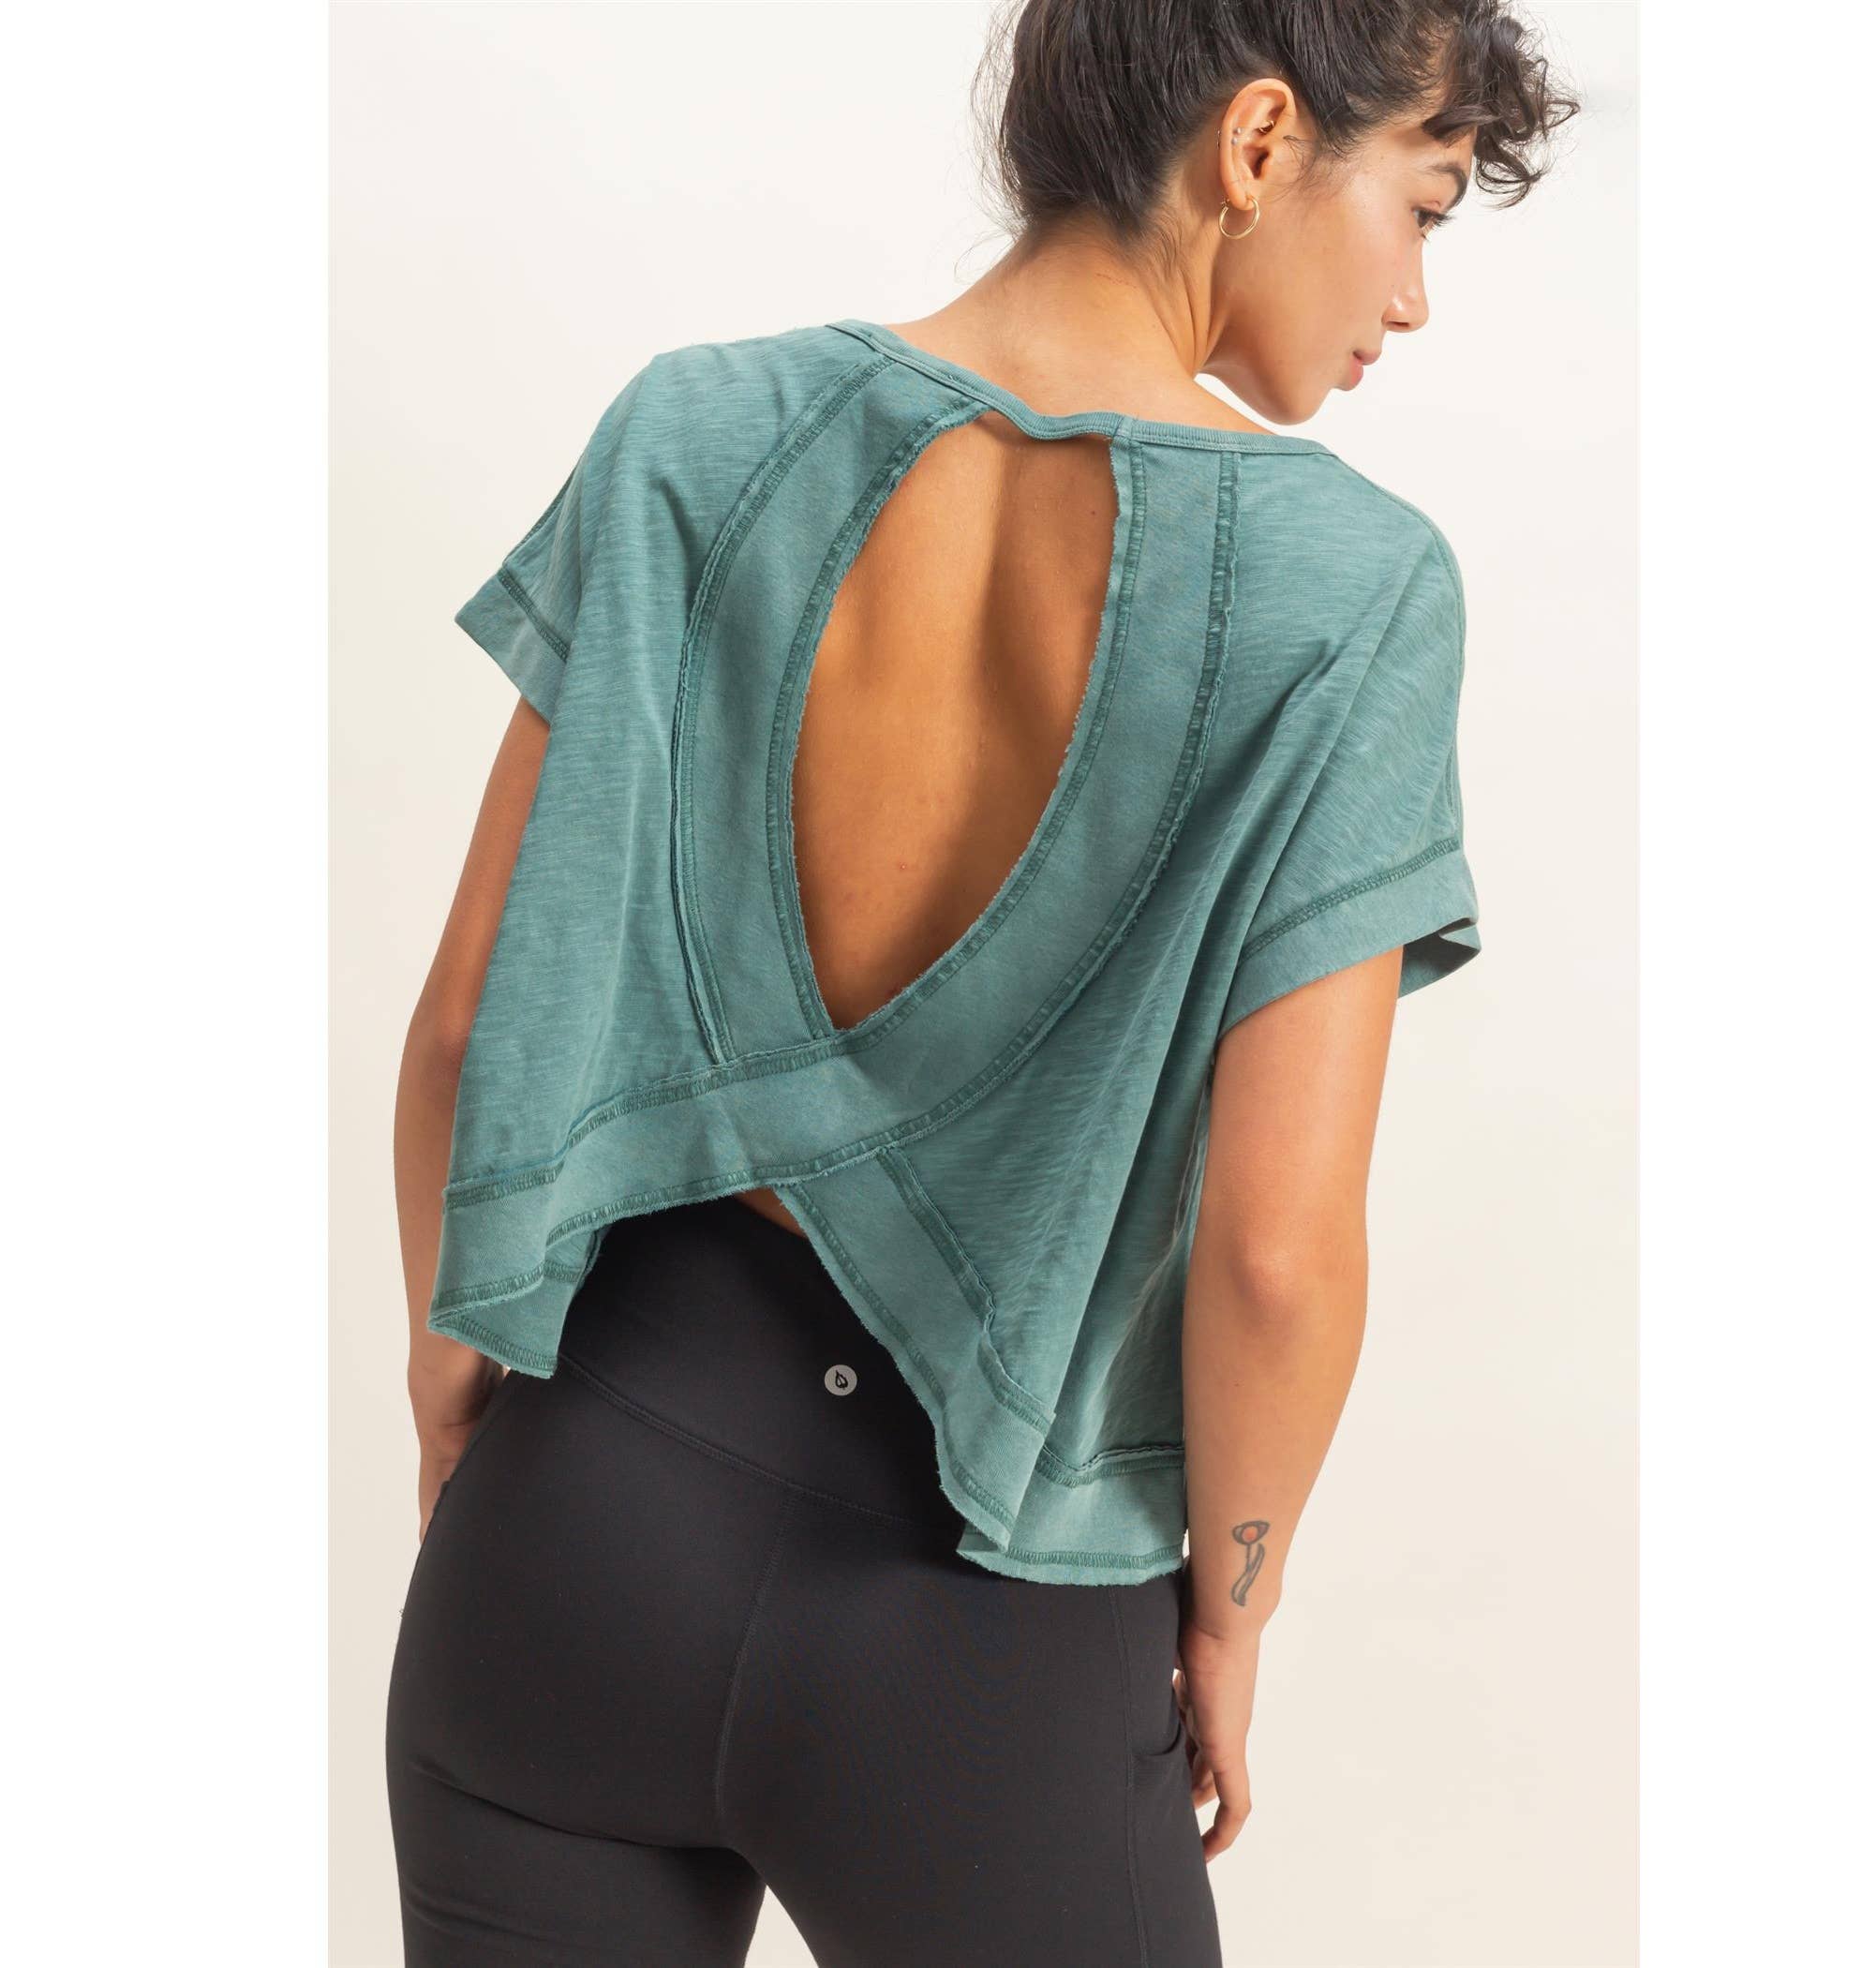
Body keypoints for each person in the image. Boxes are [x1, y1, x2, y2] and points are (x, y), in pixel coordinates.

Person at [385, 2, 1578, 1961]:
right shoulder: (1351, 594)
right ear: (1260, 145)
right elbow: (1276, 1255)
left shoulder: (694, 429)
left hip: (575, 1518)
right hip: (985, 1632)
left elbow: (461, 1031)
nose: (1413, 298)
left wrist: (466, 1411)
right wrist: (1229, 1614)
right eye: (1423, 207)